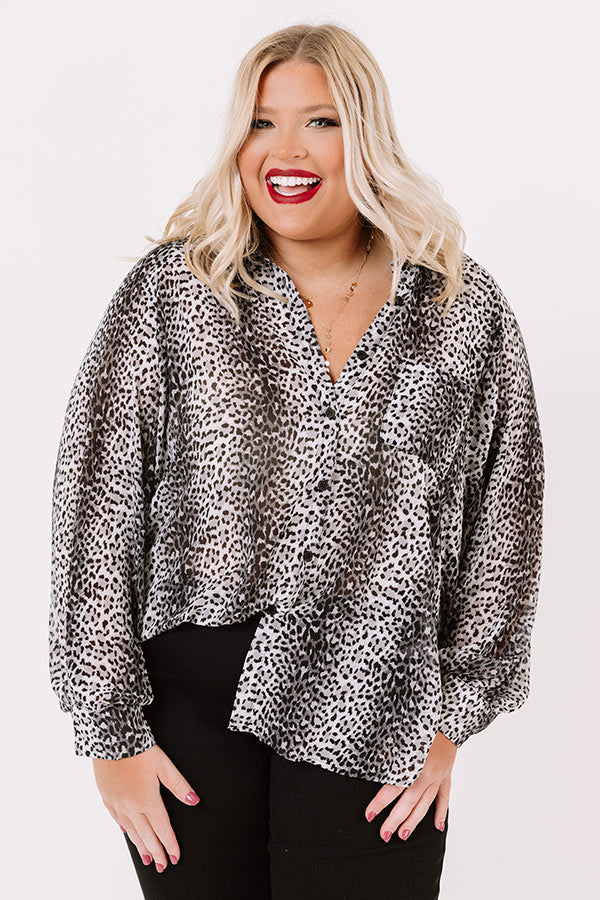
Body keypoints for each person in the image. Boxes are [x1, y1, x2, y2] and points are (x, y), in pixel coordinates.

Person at [48, 21, 545, 900]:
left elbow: (507, 520)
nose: (285, 150)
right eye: (261, 122)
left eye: (320, 121)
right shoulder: (173, 293)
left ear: (367, 137)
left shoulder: (460, 308)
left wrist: (451, 721)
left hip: (376, 716)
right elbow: (95, 503)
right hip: (186, 725)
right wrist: (109, 735)